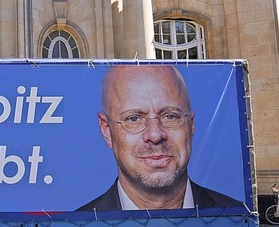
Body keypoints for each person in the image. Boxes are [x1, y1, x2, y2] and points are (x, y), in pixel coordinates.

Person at [78, 65, 243, 211]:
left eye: (170, 116)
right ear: (107, 131)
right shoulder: (83, 222)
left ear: (191, 125)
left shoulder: (234, 212)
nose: (155, 135)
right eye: (134, 119)